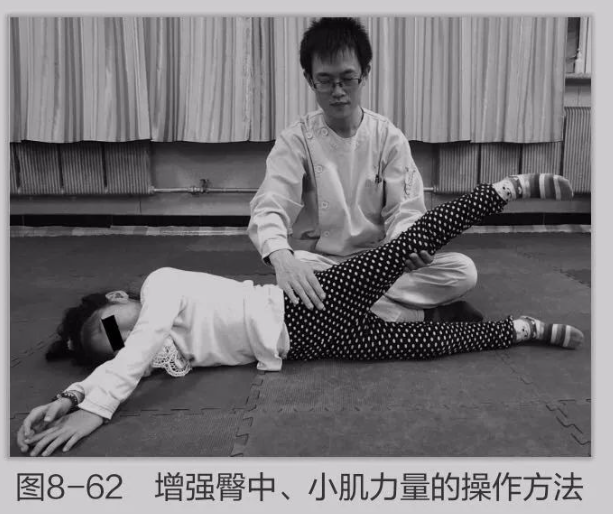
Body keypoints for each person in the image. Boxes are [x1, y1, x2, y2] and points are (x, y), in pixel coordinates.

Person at [16, 174, 583, 457]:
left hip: (306, 301)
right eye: (115, 343)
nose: (129, 338)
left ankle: (506, 188)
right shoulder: (150, 351)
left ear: (120, 296)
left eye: (115, 325)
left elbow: (138, 346)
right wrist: (71, 396)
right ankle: (520, 329)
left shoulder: (161, 286)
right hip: (309, 346)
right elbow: (131, 362)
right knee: (422, 347)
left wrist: (96, 410)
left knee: (406, 247)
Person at [249, 17, 482, 324]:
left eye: (347, 79)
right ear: (309, 79)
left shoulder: (388, 137)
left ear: (365, 73)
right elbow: (270, 205)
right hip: (324, 264)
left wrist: (409, 247)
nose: (337, 91)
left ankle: (349, 313)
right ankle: (418, 317)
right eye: (325, 81)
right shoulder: (296, 140)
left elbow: (406, 210)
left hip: (381, 264)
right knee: (297, 272)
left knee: (462, 271)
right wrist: (281, 256)